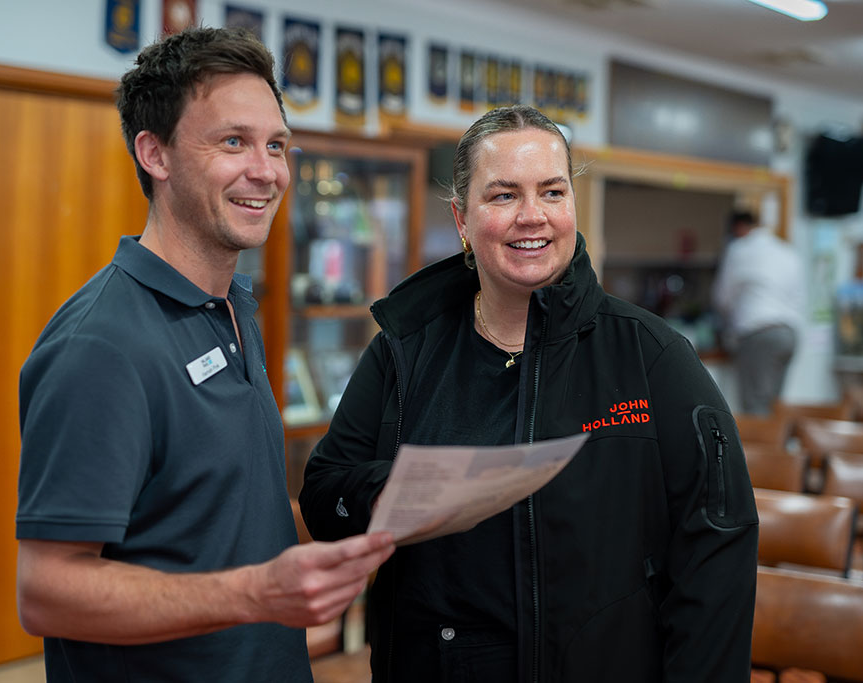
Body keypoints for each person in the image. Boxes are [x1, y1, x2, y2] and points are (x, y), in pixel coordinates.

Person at [299, 105, 758, 682]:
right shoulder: (404, 349)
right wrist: (412, 489)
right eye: (503, 195)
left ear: (572, 205)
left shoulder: (651, 356)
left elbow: (716, 554)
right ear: (462, 219)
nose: (532, 216)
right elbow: (324, 500)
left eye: (552, 192)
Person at [15, 27, 394, 682]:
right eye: (233, 142)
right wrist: (254, 592)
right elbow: (46, 589)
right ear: (154, 153)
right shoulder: (101, 345)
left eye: (276, 145)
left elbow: (214, 517)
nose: (267, 170)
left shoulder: (232, 307)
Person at [712, 209, 805, 415]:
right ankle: (777, 446)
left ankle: (764, 448)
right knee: (775, 405)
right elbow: (798, 296)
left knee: (756, 408)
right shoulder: (787, 251)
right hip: (790, 333)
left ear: (738, 228)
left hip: (759, 333)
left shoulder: (739, 249)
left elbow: (722, 297)